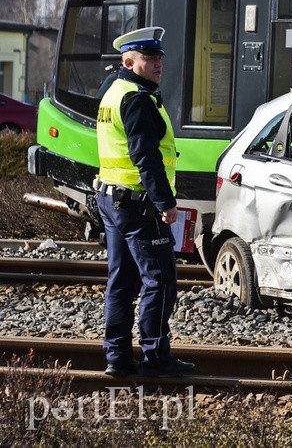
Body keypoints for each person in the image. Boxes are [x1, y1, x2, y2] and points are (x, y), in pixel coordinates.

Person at [96, 26, 195, 377]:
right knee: (161, 279)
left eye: (159, 58)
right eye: (149, 58)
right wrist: (165, 203)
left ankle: (117, 359)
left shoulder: (113, 90)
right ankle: (155, 357)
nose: (157, 64)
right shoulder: (136, 99)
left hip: (111, 198)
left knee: (121, 281)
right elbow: (146, 158)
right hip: (138, 204)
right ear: (128, 61)